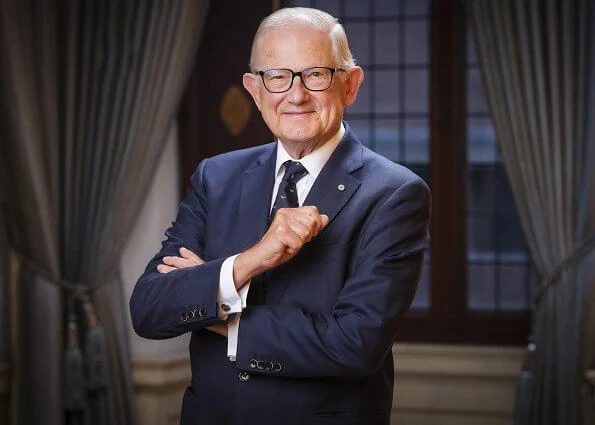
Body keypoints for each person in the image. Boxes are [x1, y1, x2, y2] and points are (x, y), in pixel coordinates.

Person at [130, 7, 430, 425]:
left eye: (315, 74)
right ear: (254, 89)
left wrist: (217, 304)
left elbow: (354, 344)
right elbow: (148, 308)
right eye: (277, 76)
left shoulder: (395, 193)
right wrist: (253, 259)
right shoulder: (215, 176)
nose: (296, 94)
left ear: (350, 84)